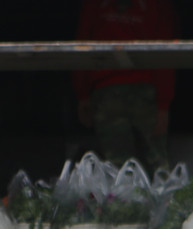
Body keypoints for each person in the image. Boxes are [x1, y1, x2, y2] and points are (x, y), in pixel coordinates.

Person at [73, 0, 176, 172]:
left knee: (118, 168)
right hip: (137, 90)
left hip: (111, 91)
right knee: (158, 166)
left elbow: (83, 40)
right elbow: (165, 48)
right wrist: (163, 105)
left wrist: (82, 94)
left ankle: (124, 197)